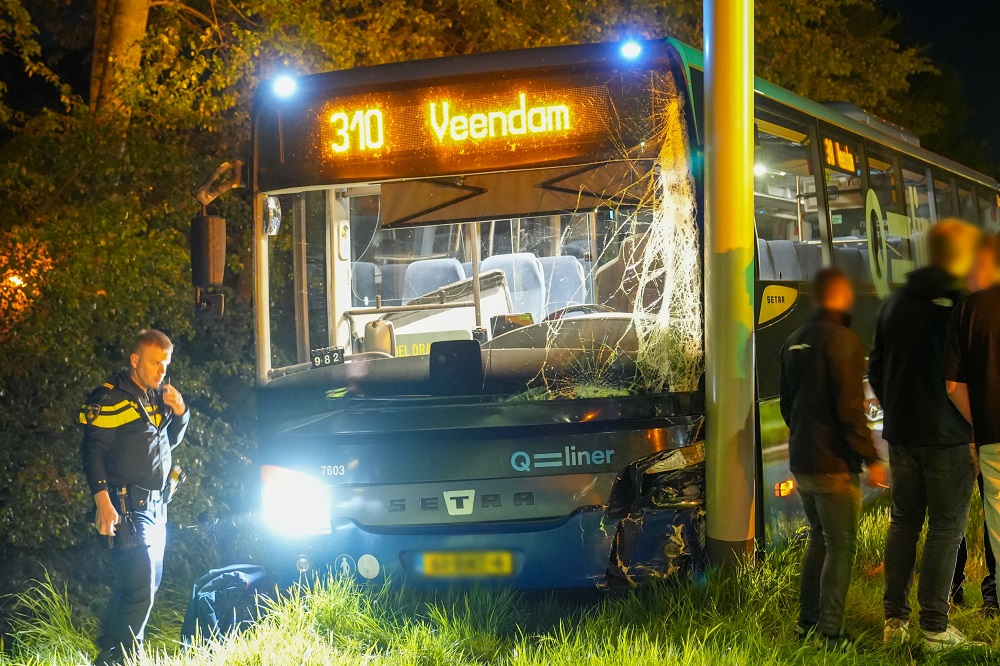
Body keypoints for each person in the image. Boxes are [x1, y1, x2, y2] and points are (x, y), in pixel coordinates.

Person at [869, 220, 980, 649]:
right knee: (946, 529)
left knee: (903, 524)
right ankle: (934, 626)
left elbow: (876, 367)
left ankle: (894, 621)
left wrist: (896, 408)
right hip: (949, 436)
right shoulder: (962, 303)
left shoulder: (894, 302)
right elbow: (967, 376)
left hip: (902, 435)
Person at [780, 268, 888, 647]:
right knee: (841, 545)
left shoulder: (793, 340)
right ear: (841, 297)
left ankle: (806, 623)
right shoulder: (843, 340)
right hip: (834, 465)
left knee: (818, 541)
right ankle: (831, 632)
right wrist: (871, 457)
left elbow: (786, 405)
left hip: (803, 461)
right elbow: (850, 408)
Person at [79, 330, 190, 665]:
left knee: (146, 585)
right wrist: (102, 501)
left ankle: (116, 651)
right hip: (126, 504)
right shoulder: (110, 399)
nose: (161, 371)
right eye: (155, 363)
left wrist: (181, 412)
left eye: (165, 364)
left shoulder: (157, 397)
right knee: (140, 582)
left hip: (158, 505)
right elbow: (92, 451)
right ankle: (120, 657)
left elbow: (169, 442)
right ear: (135, 360)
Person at [945, 234, 1000, 627]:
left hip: (993, 434)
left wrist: (977, 425)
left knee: (997, 524)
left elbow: (952, 386)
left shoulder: (967, 310)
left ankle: (995, 600)